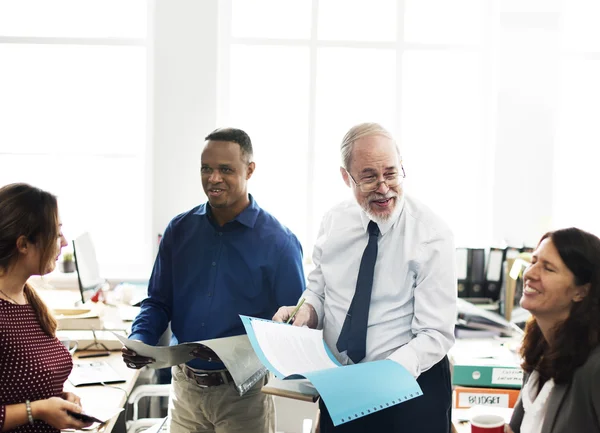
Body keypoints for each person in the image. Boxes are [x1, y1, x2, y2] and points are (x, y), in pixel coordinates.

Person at [274, 122, 457, 432]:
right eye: (370, 176)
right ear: (347, 177)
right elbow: (317, 290)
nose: (384, 187)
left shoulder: (431, 235)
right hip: (342, 386)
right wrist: (304, 311)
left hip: (410, 389)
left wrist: (380, 378)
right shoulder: (334, 221)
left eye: (391, 173)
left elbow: (435, 333)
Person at [123, 127, 305, 433]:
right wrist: (141, 339)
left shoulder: (280, 242)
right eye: (206, 169)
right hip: (185, 390)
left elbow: (292, 328)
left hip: (243, 396)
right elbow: (157, 301)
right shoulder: (178, 231)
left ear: (249, 170)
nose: (213, 178)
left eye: (225, 169)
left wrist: (235, 352)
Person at [0, 183, 92, 432]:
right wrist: (38, 410)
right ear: (23, 244)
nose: (63, 243)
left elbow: (14, 387)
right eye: (56, 232)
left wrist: (57, 398)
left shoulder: (26, 299)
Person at [507, 228, 600, 433]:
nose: (530, 274)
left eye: (548, 269)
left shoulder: (594, 367)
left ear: (581, 291)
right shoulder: (540, 347)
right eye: (533, 262)